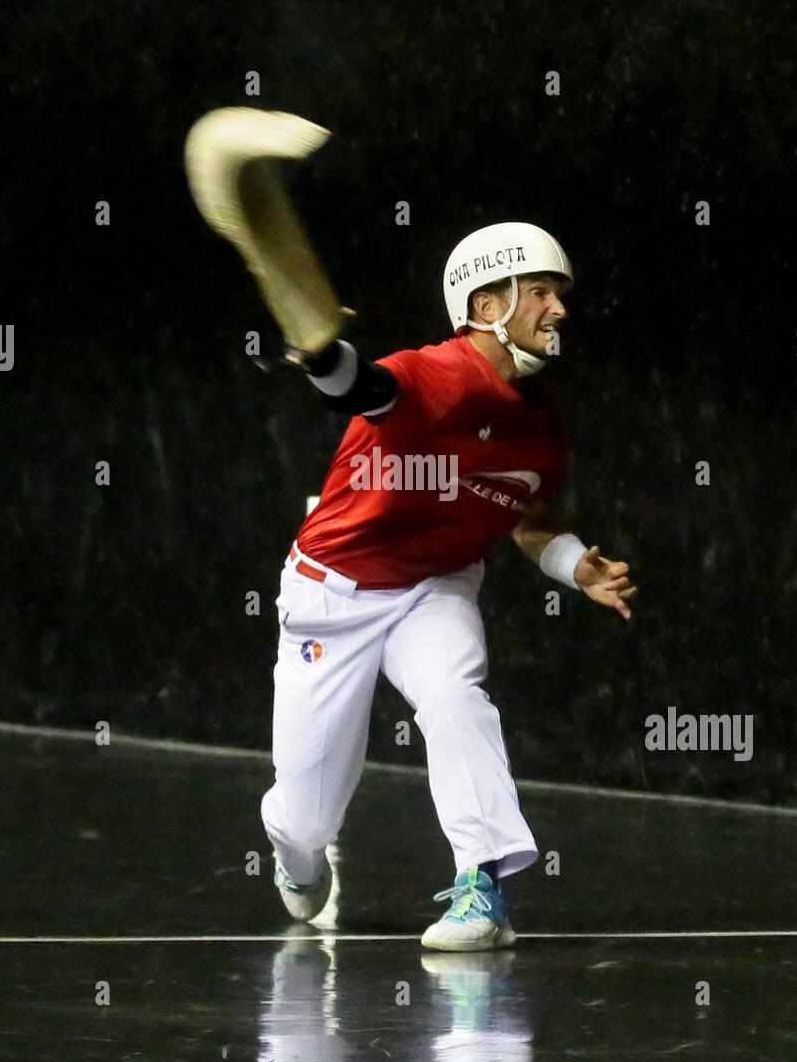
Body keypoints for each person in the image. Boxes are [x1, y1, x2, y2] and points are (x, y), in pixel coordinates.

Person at [260, 222, 637, 951]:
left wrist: (576, 566)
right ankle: (296, 858)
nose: (558, 310)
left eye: (559, 294)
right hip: (331, 594)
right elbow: (354, 383)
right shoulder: (432, 374)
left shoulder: (541, 419)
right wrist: (316, 350)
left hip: (436, 588)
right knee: (305, 817)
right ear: (486, 303)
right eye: (539, 294)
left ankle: (481, 888)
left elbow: (532, 522)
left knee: (456, 698)